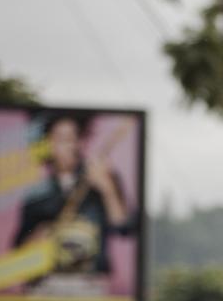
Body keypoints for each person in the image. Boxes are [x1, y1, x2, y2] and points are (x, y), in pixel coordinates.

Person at [13, 114, 135, 277]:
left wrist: (107, 189)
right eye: (60, 139)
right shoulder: (36, 195)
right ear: (47, 144)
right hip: (48, 283)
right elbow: (18, 252)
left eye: (72, 139)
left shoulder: (102, 176)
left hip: (93, 283)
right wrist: (37, 239)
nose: (67, 146)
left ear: (79, 142)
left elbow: (124, 228)